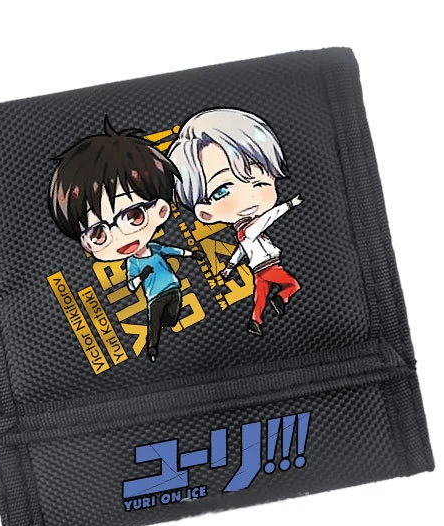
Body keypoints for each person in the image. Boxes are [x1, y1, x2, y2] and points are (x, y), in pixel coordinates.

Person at [48, 117, 196, 361]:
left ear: (161, 210)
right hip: (154, 297)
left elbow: (174, 251)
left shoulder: (156, 247)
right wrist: (142, 276)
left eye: (133, 216)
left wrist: (192, 254)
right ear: (87, 244)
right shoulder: (133, 264)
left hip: (173, 288)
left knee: (171, 319)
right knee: (155, 324)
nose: (120, 235)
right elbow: (131, 285)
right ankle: (152, 348)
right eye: (98, 233)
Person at [168, 108, 302, 336]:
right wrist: (288, 205)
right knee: (292, 284)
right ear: (205, 213)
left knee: (260, 296)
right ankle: (282, 298)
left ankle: (255, 321)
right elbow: (265, 220)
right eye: (222, 190)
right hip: (268, 266)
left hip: (259, 269)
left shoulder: (243, 235)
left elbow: (241, 251)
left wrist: (229, 268)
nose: (248, 196)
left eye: (258, 180)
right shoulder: (251, 229)